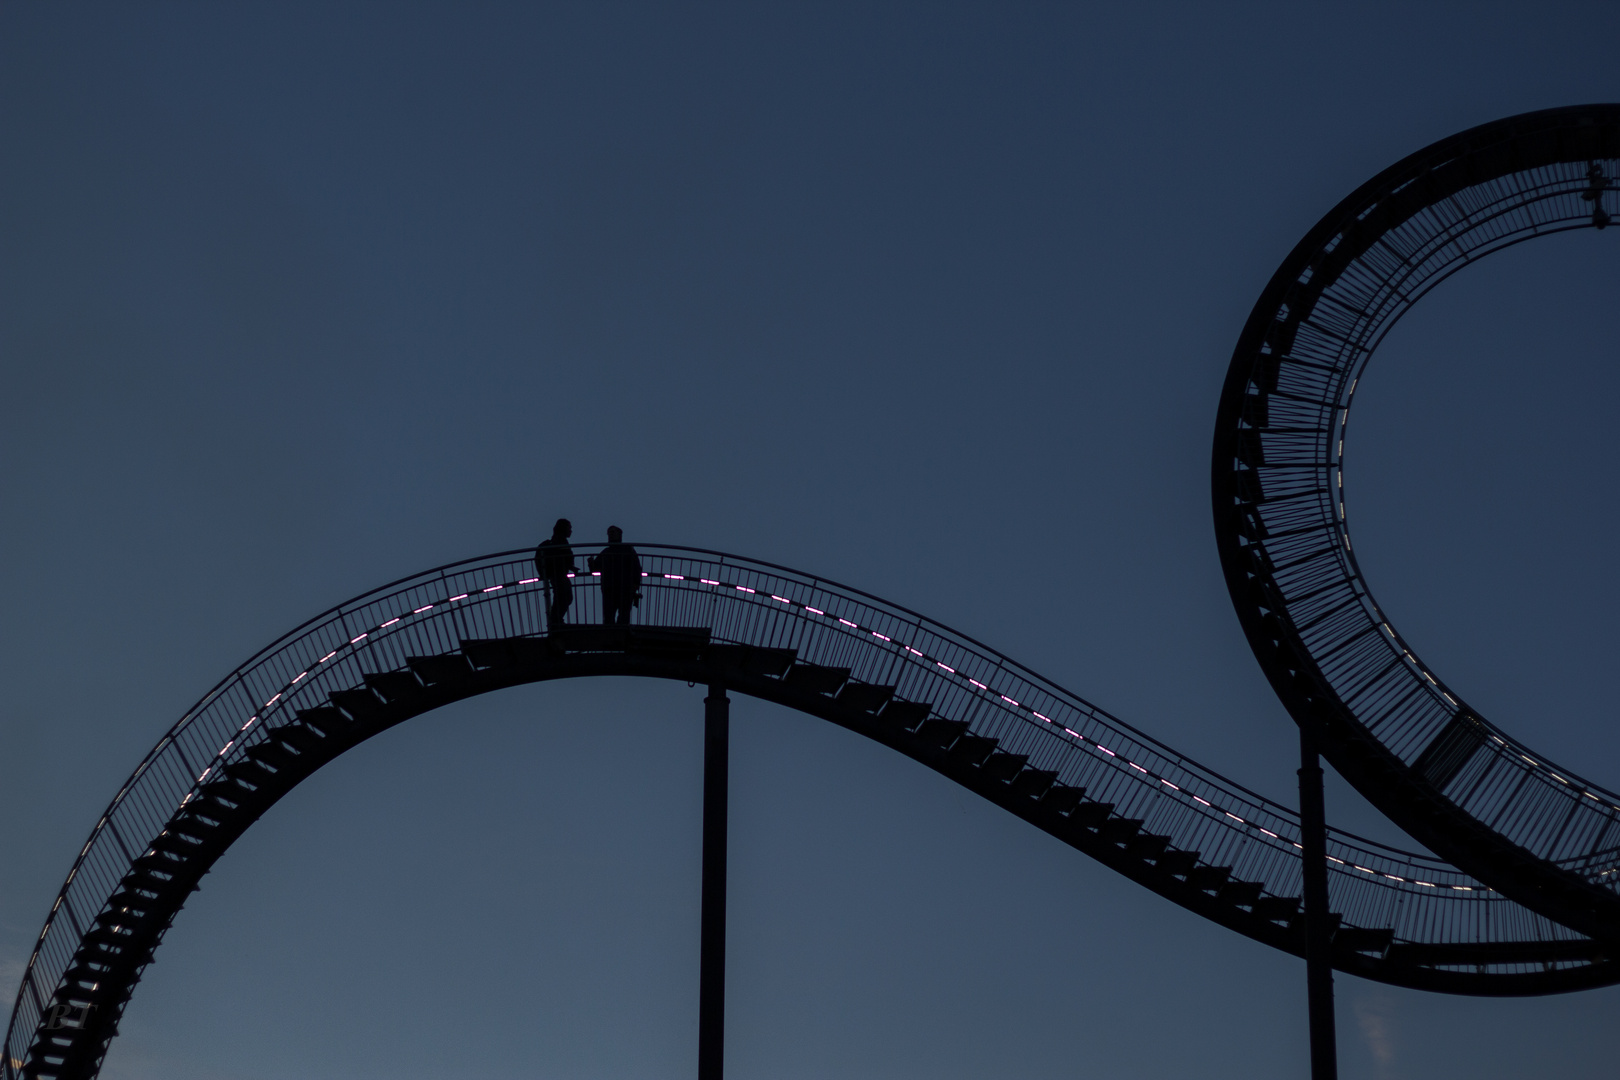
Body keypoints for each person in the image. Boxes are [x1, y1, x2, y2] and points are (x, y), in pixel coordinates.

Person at [589, 525, 642, 626]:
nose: (611, 535)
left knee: (622, 615)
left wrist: (636, 584)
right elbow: (595, 568)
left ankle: (616, 634)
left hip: (623, 588)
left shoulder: (626, 550)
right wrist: (591, 563)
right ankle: (615, 634)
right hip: (612, 588)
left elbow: (636, 567)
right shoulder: (608, 552)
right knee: (611, 616)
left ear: (620, 535)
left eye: (613, 532)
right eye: (609, 533)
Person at [535, 518, 577, 630]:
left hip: (559, 574)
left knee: (564, 597)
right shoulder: (559, 541)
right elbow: (563, 557)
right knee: (563, 596)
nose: (571, 530)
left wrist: (571, 567)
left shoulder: (558, 541)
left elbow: (564, 558)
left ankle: (556, 620)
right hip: (558, 574)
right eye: (569, 528)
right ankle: (555, 620)